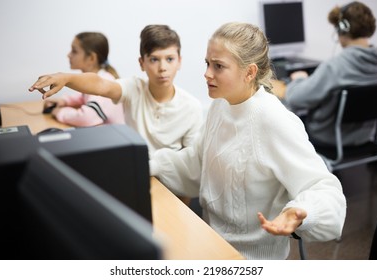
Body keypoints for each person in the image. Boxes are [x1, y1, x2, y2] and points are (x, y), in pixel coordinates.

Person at [148, 22, 346, 260]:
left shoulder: (274, 120)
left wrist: (299, 211)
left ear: (250, 72)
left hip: (248, 259)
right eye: (207, 63)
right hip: (210, 242)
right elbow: (199, 161)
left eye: (218, 66)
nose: (207, 73)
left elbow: (325, 189)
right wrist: (149, 164)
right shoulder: (221, 104)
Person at [29, 25, 203, 158]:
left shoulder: (192, 108)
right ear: (142, 63)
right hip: (134, 167)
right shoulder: (133, 88)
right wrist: (66, 78)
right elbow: (101, 84)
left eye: (170, 59)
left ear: (179, 61)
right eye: (154, 60)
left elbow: (189, 166)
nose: (163, 68)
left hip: (167, 186)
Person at [282, 1, 377, 147]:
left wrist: (299, 80)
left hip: (330, 139)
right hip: (367, 137)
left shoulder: (335, 67)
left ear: (342, 28)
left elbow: (295, 99)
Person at [43, 32, 125, 126]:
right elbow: (83, 96)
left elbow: (87, 118)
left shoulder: (104, 82)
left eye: (74, 51)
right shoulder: (98, 78)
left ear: (91, 58)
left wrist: (59, 112)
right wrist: (64, 101)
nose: (68, 55)